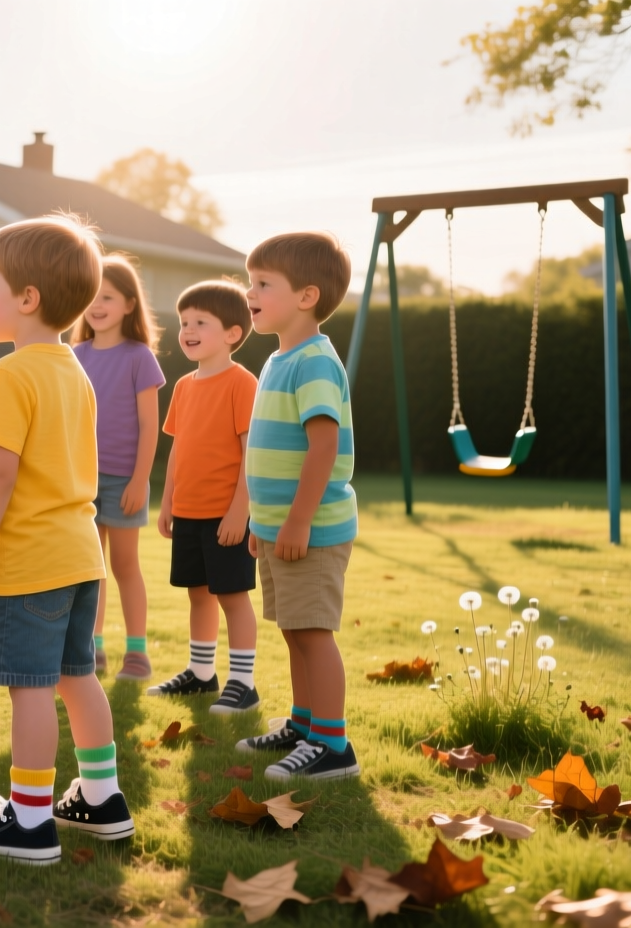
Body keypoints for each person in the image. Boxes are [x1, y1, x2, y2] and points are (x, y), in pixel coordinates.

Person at [0, 214, 133, 865]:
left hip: (31, 561)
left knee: (29, 686)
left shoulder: (10, 372)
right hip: (82, 555)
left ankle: (29, 823)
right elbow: (36, 463)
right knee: (76, 677)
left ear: (26, 299)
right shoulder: (71, 370)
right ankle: (101, 798)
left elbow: (0, 470)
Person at [232, 231, 361, 781]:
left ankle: (333, 746)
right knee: (291, 627)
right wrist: (265, 523)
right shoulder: (279, 359)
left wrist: (299, 520)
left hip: (314, 527)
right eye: (249, 281)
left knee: (312, 631)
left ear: (306, 296)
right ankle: (305, 725)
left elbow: (324, 446)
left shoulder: (314, 362)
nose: (250, 292)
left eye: (263, 284)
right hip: (281, 527)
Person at [146, 281, 261, 714]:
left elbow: (252, 452)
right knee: (198, 593)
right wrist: (168, 501)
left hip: (226, 514)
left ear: (232, 333)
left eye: (200, 322)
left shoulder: (241, 383)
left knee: (232, 595)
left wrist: (239, 512)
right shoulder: (183, 386)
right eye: (184, 322)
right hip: (189, 512)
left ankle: (243, 683)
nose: (188, 330)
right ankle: (201, 674)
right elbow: (179, 447)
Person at [70, 255, 165, 681]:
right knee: (91, 569)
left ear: (129, 304)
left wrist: (140, 480)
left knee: (125, 565)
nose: (97, 304)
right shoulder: (73, 355)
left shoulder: (139, 357)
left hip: (126, 479)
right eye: (92, 296)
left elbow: (150, 426)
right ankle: (94, 650)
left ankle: (138, 653)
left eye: (107, 296)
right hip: (81, 481)